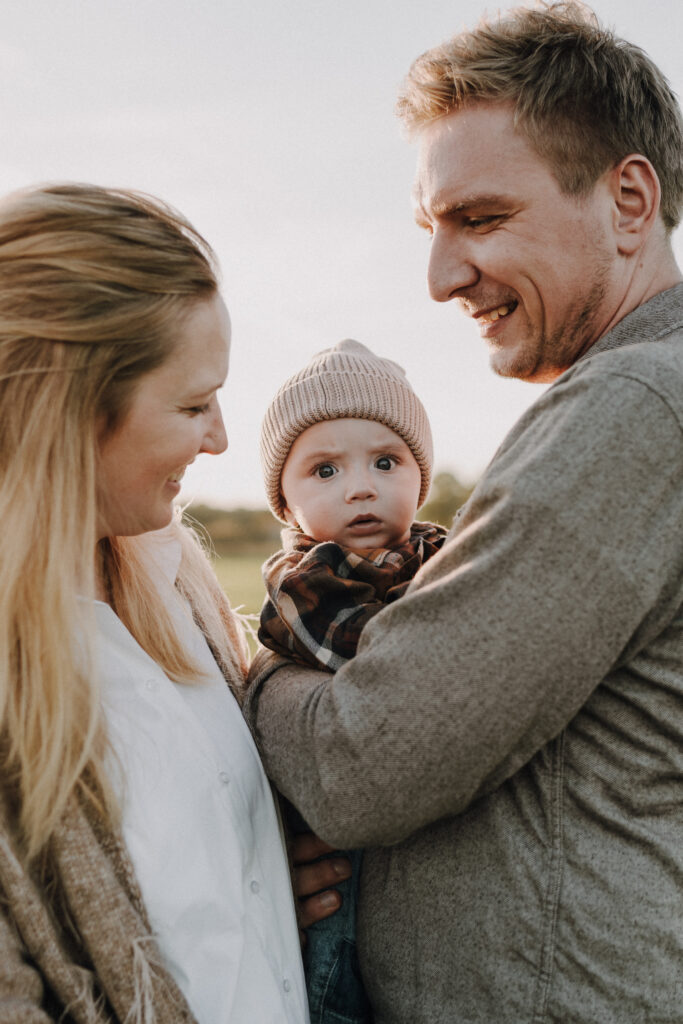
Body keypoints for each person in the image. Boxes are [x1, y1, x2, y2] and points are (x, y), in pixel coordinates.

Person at [245, 3, 683, 1022]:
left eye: (479, 219)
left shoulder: (633, 406)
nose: (440, 276)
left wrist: (252, 665)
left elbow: (366, 763)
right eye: (429, 229)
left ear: (626, 200)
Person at [0, 182, 343, 1023]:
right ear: (69, 410)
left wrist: (247, 882)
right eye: (192, 404)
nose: (221, 437)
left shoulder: (176, 584)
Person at [253, 338, 447, 1024]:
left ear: (418, 482)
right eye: (325, 470)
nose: (359, 486)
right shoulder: (304, 579)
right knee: (336, 967)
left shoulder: (442, 552)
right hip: (337, 832)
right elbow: (372, 664)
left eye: (385, 462)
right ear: (286, 503)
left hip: (425, 842)